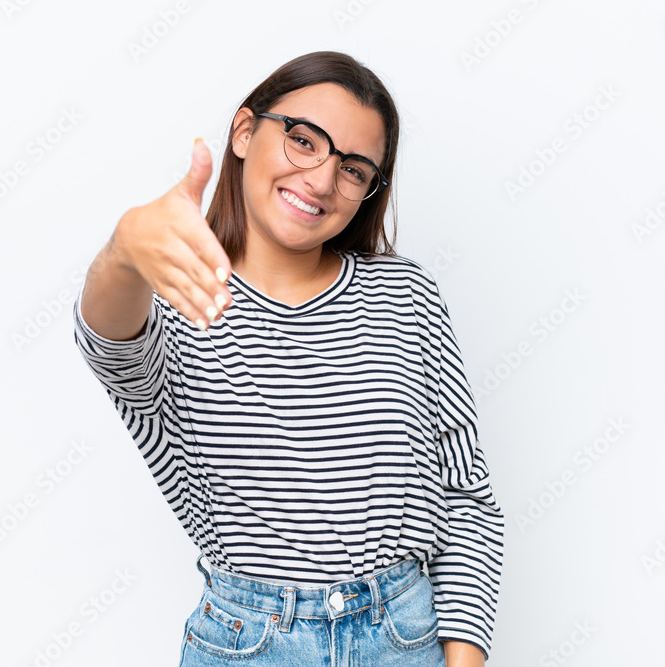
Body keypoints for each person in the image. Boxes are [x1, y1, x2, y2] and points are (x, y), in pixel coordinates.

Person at [72, 50, 504, 666]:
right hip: (250, 644)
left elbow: (468, 501)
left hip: (404, 639)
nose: (323, 181)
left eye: (354, 169)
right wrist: (124, 250)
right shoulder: (176, 300)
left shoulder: (406, 295)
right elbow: (109, 341)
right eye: (304, 141)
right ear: (245, 132)